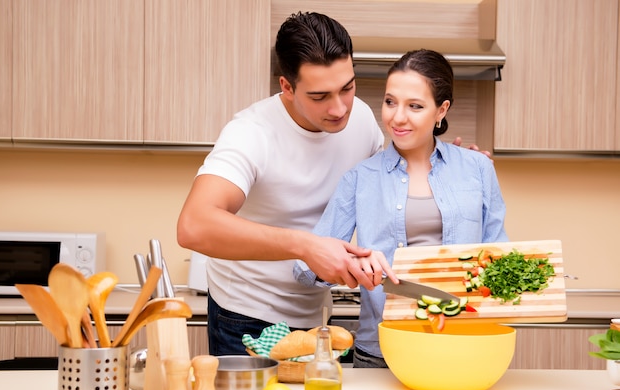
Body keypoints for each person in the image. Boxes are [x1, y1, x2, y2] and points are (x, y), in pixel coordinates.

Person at [177, 12, 486, 356]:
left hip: (317, 314)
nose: (339, 109)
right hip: (246, 316)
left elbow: (385, 185)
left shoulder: (362, 122)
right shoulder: (251, 134)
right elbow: (194, 226)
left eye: (347, 88)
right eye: (320, 96)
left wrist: (448, 165)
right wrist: (305, 245)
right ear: (287, 87)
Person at [293, 49, 508, 368]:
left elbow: (498, 256)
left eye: (415, 106)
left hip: (461, 347)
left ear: (441, 110)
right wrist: (351, 262)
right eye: (390, 102)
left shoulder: (477, 169)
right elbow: (306, 269)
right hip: (382, 353)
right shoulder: (360, 178)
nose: (397, 117)